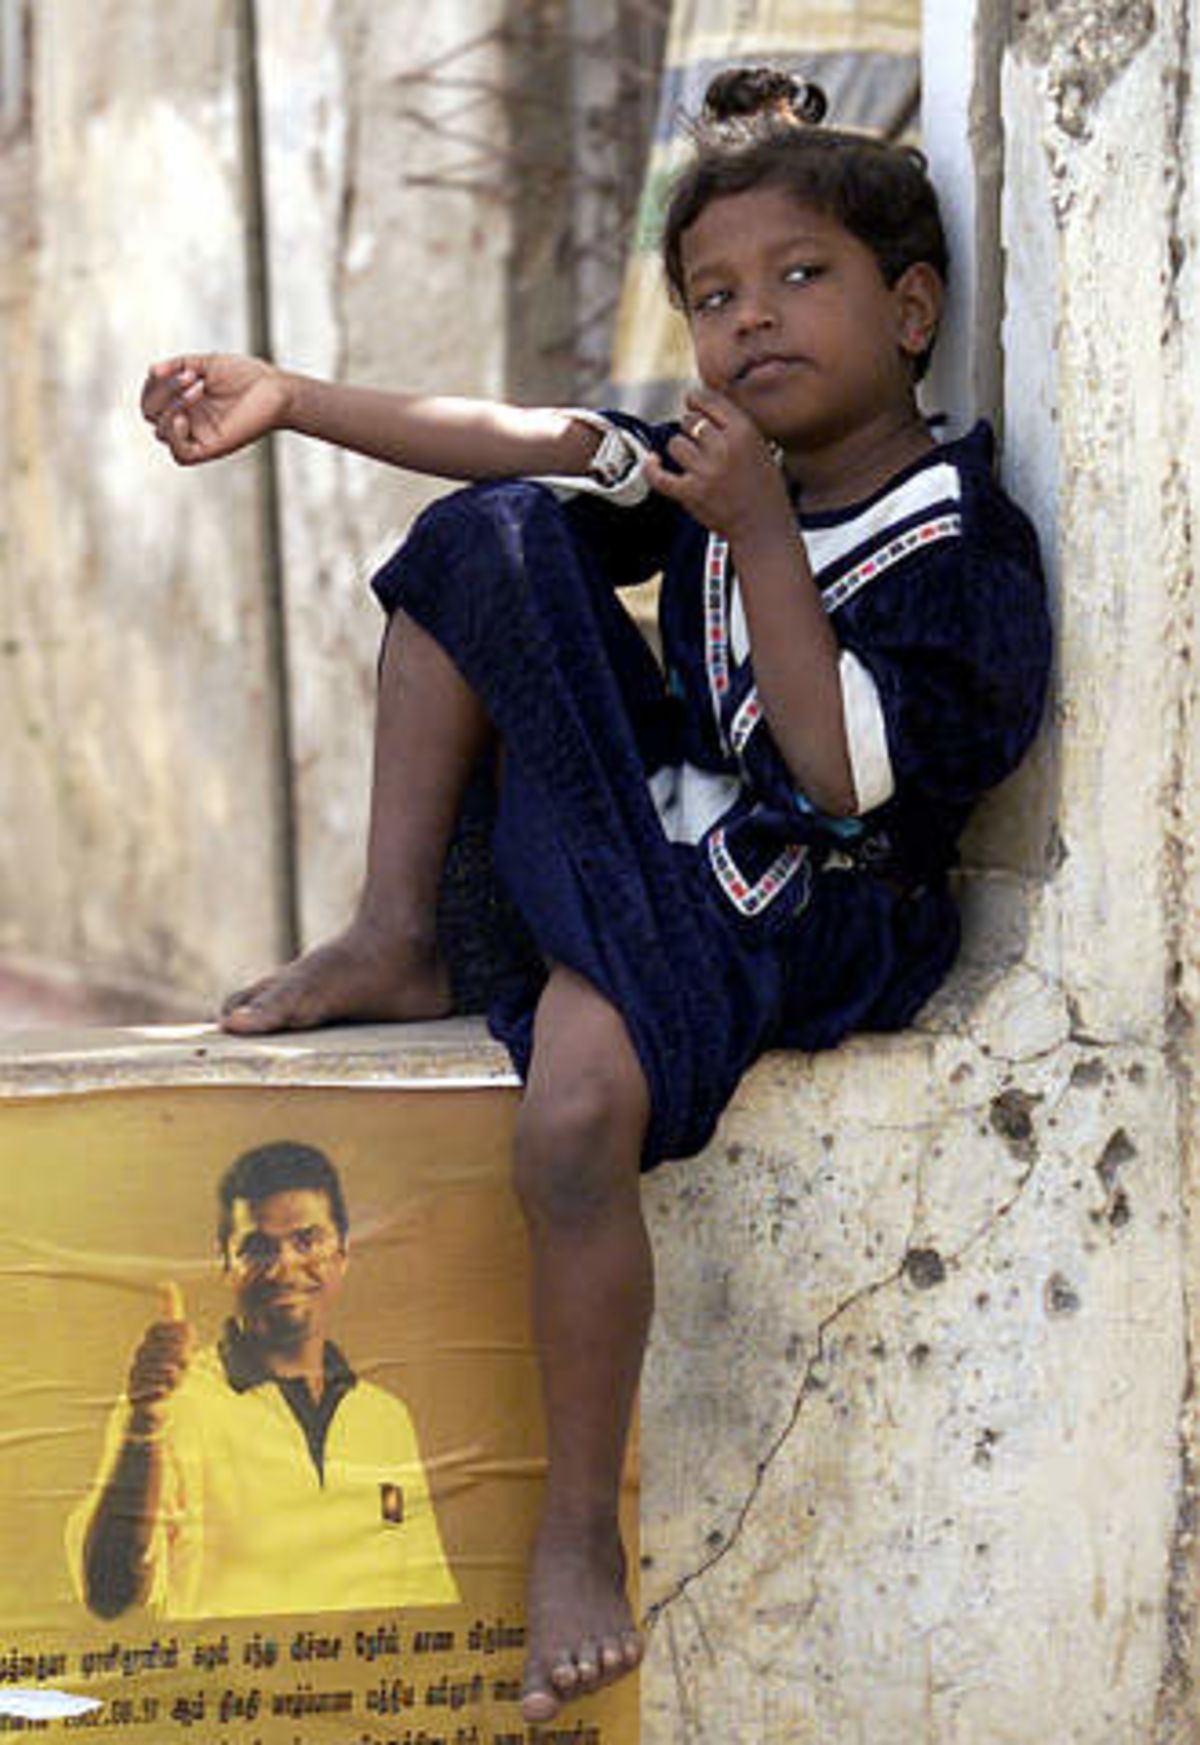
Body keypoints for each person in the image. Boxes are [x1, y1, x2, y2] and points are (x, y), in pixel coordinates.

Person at [138, 67, 1051, 1721]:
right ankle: (397, 928)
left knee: (571, 1120)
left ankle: (576, 1531)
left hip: (812, 910)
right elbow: (529, 447)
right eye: (713, 296)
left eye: (799, 279)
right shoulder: (721, 469)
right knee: (490, 536)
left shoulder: (957, 544)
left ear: (914, 310)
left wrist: (760, 531)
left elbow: (851, 782)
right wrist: (290, 396)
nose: (750, 323)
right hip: (662, 848)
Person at [66, 1141, 458, 1619]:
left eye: (307, 1240)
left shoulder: (385, 1418)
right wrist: (145, 1425)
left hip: (360, 1688)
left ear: (343, 1254)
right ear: (226, 1264)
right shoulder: (169, 1405)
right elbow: (110, 1591)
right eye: (257, 1248)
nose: (284, 1267)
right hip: (230, 1691)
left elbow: (424, 1595)